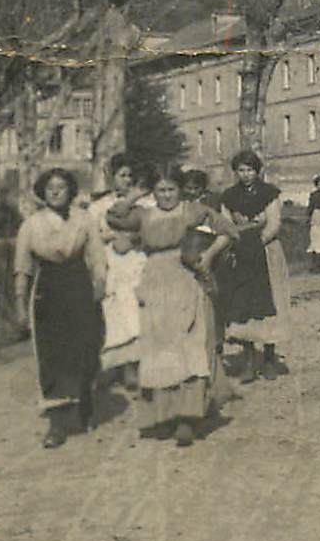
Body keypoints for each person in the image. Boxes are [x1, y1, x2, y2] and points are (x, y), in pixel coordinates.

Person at [108, 166, 239, 447]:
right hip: (153, 281)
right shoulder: (143, 215)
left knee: (188, 347)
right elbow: (114, 217)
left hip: (184, 280)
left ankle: (188, 419)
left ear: (180, 190)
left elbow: (228, 230)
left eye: (171, 190)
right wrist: (135, 194)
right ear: (153, 192)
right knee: (158, 348)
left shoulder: (190, 211)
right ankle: (164, 415)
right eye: (160, 190)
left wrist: (208, 255)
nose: (166, 195)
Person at [13, 168, 105, 449]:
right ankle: (57, 422)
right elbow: (22, 267)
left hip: (79, 285)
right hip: (48, 289)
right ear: (42, 192)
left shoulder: (84, 219)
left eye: (61, 187)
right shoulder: (31, 225)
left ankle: (84, 398)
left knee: (86, 347)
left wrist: (100, 284)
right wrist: (19, 302)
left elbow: (97, 256)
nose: (55, 191)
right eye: (50, 187)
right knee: (52, 352)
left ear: (70, 191)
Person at [216, 150, 292, 382]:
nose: (246, 174)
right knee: (245, 304)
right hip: (241, 253)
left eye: (250, 170)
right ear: (236, 172)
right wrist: (241, 236)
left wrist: (256, 240)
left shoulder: (269, 193)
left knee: (270, 301)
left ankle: (268, 358)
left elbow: (273, 223)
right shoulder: (229, 196)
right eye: (241, 170)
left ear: (257, 171)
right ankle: (248, 359)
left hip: (266, 252)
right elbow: (226, 224)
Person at [86, 153, 149, 389]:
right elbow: (91, 239)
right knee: (114, 314)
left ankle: (135, 367)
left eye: (130, 176)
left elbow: (154, 229)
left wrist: (133, 238)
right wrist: (110, 237)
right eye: (122, 175)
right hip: (111, 264)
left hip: (135, 262)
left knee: (135, 312)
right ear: (111, 177)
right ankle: (117, 367)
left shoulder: (144, 203)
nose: (127, 180)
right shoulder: (98, 207)